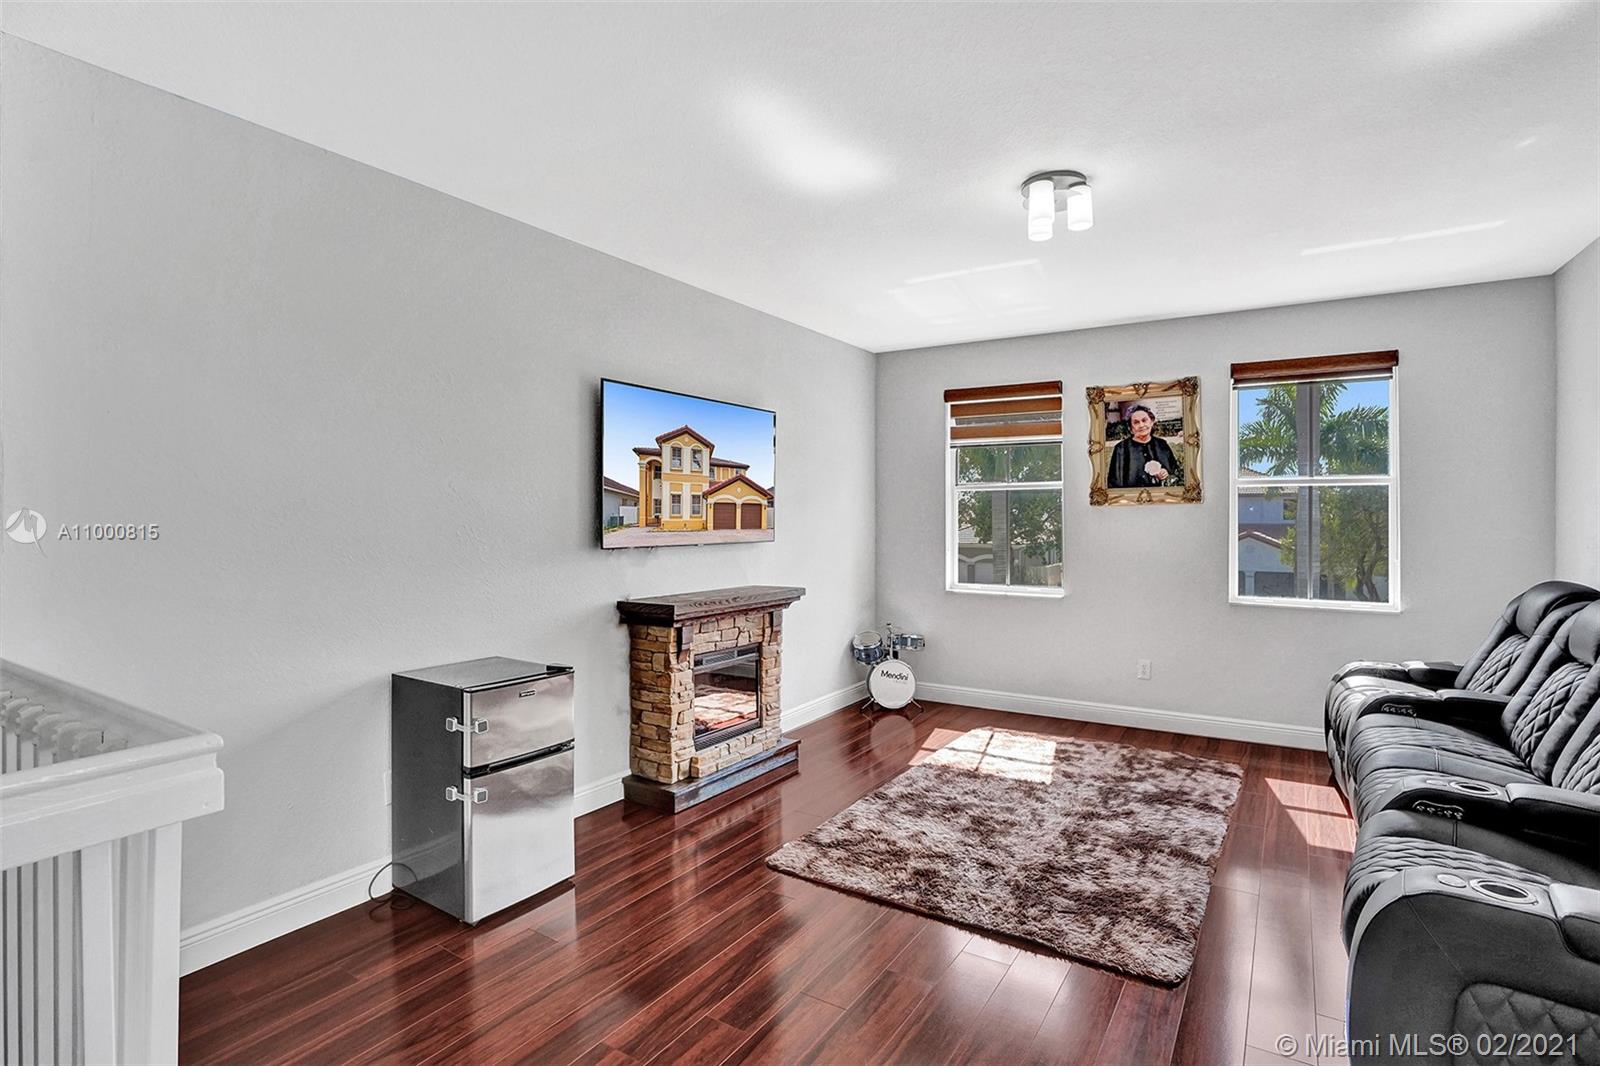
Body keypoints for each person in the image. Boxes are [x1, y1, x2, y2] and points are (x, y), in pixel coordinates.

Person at [1107, 404, 1182, 488]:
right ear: (1130, 427)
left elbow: (1174, 470)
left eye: (1144, 420)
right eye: (1136, 422)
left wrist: (1165, 473)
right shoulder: (1121, 448)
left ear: (1151, 422)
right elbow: (1114, 482)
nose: (1141, 425)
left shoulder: (1162, 444)